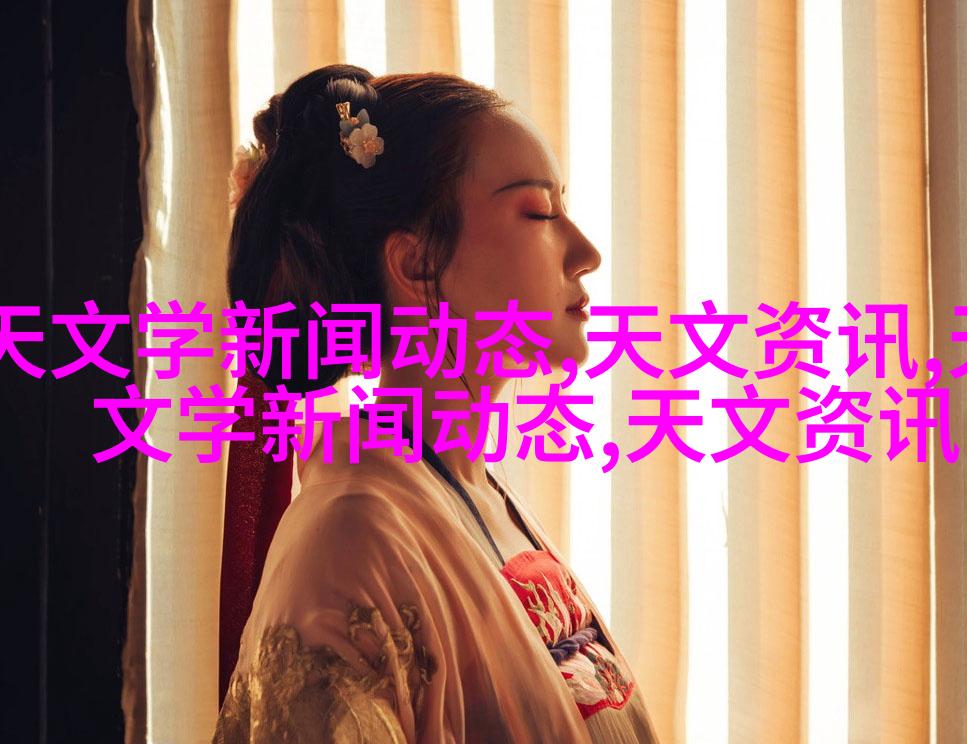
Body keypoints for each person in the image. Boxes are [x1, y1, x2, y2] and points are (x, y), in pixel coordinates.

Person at [213, 64, 659, 743]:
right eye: (539, 213)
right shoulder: (350, 542)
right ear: (417, 265)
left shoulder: (477, 496)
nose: (586, 253)